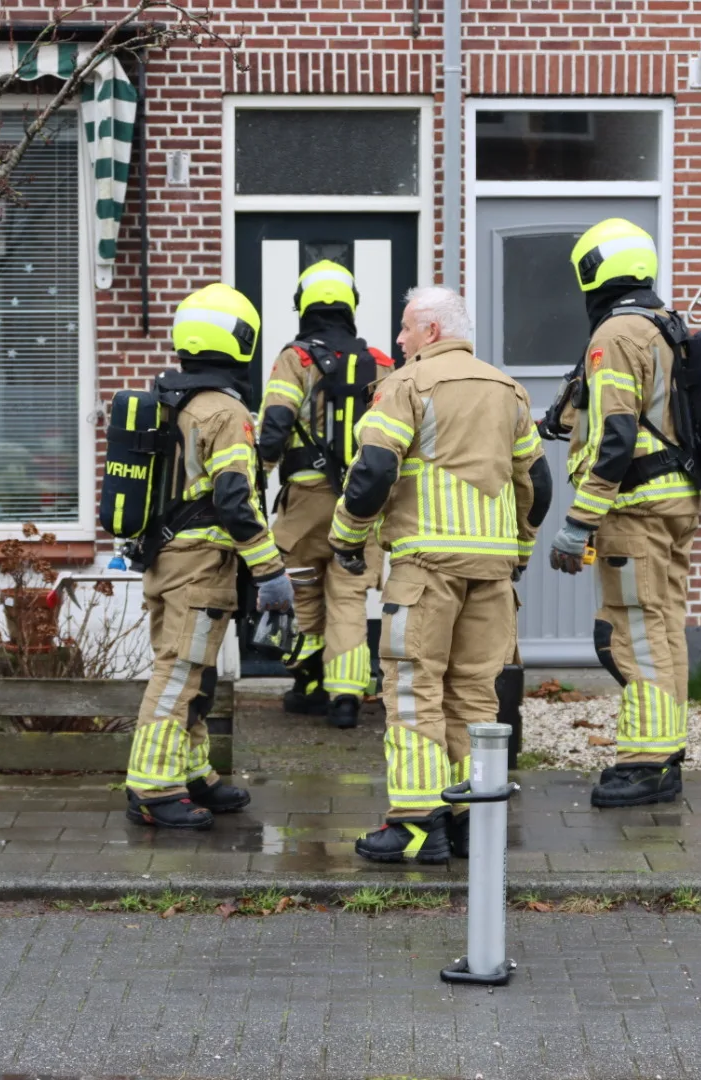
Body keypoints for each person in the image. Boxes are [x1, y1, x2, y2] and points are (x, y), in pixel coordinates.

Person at [330, 285, 551, 863]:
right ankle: (471, 822)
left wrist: (346, 537)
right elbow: (537, 483)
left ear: (431, 330)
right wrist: (520, 550)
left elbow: (374, 470)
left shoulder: (405, 385)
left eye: (406, 327)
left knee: (413, 688)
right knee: (476, 695)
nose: (399, 338)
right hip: (492, 573)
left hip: (426, 570)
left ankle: (417, 823)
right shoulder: (509, 390)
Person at [124, 283, 295, 830]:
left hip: (165, 557)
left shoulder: (169, 401)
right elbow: (235, 499)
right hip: (199, 565)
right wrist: (270, 570)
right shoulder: (225, 411)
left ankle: (193, 771)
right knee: (179, 673)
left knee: (193, 673)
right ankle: (153, 788)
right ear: (241, 340)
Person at [548, 218, 701, 808]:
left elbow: (617, 435)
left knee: (631, 632)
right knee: (662, 626)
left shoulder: (615, 334)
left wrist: (579, 521)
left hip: (635, 508)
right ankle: (666, 751)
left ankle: (646, 765)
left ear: (593, 272)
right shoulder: (664, 325)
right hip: (675, 501)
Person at [256, 260, 394, 729]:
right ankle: (347, 697)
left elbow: (275, 425)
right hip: (362, 502)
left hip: (306, 501)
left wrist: (257, 477)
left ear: (304, 306)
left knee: (303, 591)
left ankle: (310, 684)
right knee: (349, 597)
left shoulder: (295, 359)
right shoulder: (381, 363)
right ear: (351, 305)